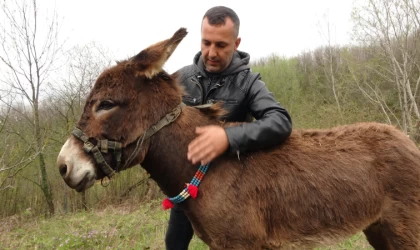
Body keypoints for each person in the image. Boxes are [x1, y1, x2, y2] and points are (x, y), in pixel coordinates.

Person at [165, 6, 292, 250]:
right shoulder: (180, 79)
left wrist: (228, 136)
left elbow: (280, 121)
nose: (211, 52)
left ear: (236, 43)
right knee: (174, 243)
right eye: (206, 42)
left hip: (229, 190)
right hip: (186, 185)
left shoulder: (249, 83)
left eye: (221, 45)